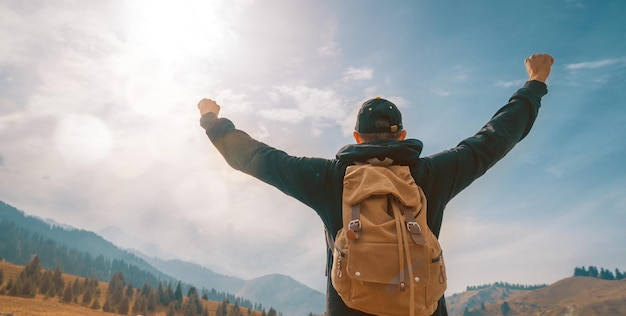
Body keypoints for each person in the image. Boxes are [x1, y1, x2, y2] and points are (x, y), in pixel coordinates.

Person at [197, 53, 554, 316]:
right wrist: (535, 84)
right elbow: (493, 139)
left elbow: (257, 157)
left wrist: (211, 120)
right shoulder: (431, 175)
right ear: (402, 134)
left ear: (356, 136)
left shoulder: (329, 178)